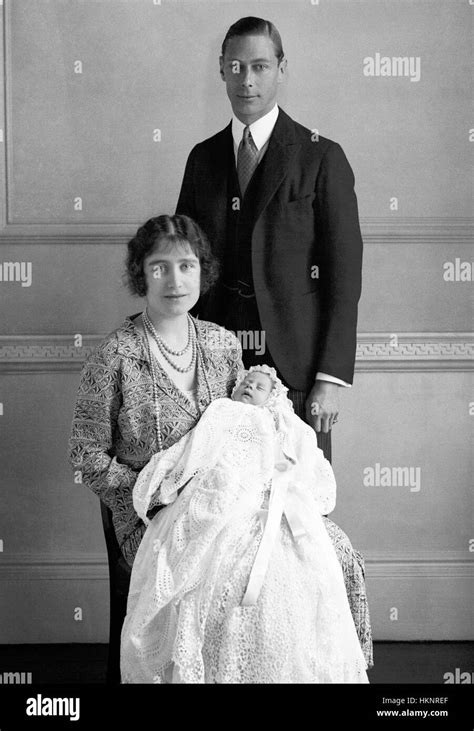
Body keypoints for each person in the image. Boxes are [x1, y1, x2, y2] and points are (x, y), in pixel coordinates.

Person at [176, 16, 372, 666]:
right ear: (221, 72)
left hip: (297, 375)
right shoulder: (203, 160)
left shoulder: (320, 156)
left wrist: (329, 379)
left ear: (281, 68)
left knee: (297, 531)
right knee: (221, 526)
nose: (246, 79)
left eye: (259, 66)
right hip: (218, 381)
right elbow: (187, 267)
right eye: (235, 66)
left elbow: (344, 276)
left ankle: (300, 666)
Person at [120, 365, 368, 683]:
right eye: (246, 383)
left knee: (302, 566)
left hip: (270, 491)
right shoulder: (223, 411)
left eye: (259, 387)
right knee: (212, 541)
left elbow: (304, 457)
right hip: (227, 484)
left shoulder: (281, 421)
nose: (250, 387)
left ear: (273, 398)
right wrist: (166, 482)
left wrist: (285, 478)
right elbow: (197, 447)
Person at [68, 214, 243, 593]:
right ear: (141, 275)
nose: (176, 281)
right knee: (229, 571)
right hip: (151, 521)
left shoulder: (223, 344)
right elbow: (86, 453)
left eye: (186, 266)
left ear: (202, 272)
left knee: (315, 552)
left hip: (223, 506)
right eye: (159, 268)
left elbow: (242, 433)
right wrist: (150, 497)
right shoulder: (113, 355)